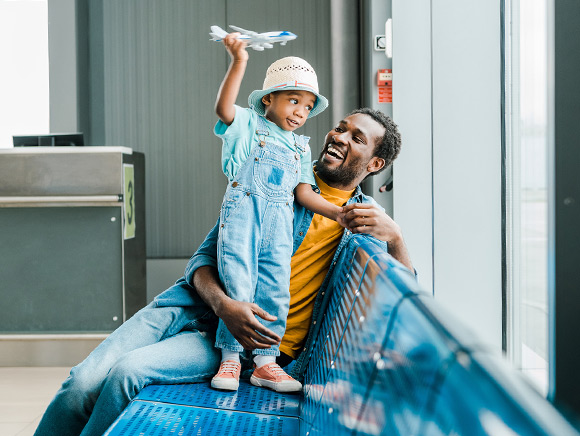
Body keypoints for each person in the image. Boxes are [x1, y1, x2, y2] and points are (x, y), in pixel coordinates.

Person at [34, 107, 413, 436]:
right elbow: (200, 262)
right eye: (341, 127)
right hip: (192, 309)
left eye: (356, 137)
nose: (339, 136)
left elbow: (405, 301)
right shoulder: (273, 175)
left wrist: (396, 238)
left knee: (126, 375)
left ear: (375, 164)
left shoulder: (362, 225)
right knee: (80, 383)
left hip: (244, 349)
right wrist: (224, 306)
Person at [211, 33, 345, 393]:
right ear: (269, 99)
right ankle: (230, 358)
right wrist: (239, 61)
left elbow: (303, 192)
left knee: (275, 287)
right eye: (293, 101)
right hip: (244, 215)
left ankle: (265, 363)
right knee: (238, 282)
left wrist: (338, 213)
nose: (300, 112)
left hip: (280, 226)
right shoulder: (248, 126)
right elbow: (224, 109)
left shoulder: (301, 146)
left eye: (307, 107)